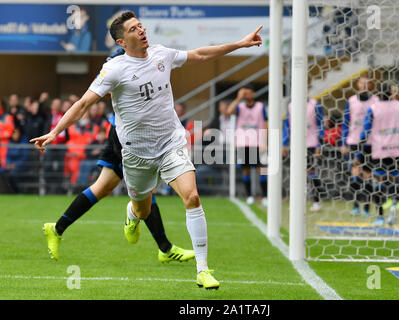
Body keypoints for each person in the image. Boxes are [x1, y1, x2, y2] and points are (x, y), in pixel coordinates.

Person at [31, 10, 263, 290]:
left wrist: (239, 44)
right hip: (136, 154)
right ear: (121, 41)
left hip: (170, 143)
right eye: (133, 29)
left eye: (141, 26)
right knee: (142, 209)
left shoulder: (161, 54)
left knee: (191, 196)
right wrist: (56, 131)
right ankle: (133, 213)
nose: (141, 30)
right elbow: (83, 104)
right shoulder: (114, 69)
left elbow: (200, 54)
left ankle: (202, 269)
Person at [42, 112, 195, 263]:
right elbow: (90, 101)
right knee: (144, 190)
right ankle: (164, 248)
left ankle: (56, 229)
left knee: (102, 188)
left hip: (131, 131)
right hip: (124, 134)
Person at [355, 81, 399, 226]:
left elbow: (365, 132)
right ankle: (395, 202)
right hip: (397, 149)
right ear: (392, 92)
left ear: (378, 93)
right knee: (395, 178)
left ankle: (380, 216)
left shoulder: (373, 108)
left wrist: (358, 154)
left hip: (380, 149)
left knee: (378, 182)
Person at [341, 75, 379, 216]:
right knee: (355, 174)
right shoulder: (351, 101)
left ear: (370, 85)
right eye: (361, 83)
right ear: (357, 84)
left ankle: (367, 207)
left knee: (368, 176)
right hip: (354, 142)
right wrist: (343, 142)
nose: (364, 85)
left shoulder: (375, 101)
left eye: (366, 83)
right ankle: (356, 205)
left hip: (370, 143)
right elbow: (345, 122)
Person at [227, 84, 268, 206]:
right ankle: (249, 196)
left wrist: (264, 141)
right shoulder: (240, 107)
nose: (247, 95)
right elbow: (229, 111)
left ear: (253, 94)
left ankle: (265, 196)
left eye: (249, 93)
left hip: (257, 142)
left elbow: (265, 123)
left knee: (263, 169)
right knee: (246, 170)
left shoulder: (260, 107)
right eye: (245, 93)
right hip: (243, 142)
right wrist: (238, 98)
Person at [283, 98, 325, 211]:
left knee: (311, 173)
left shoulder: (315, 104)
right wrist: (284, 143)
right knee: (297, 173)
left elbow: (321, 124)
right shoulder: (291, 105)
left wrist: (319, 145)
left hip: (311, 144)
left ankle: (317, 201)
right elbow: (287, 124)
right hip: (296, 145)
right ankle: (297, 202)